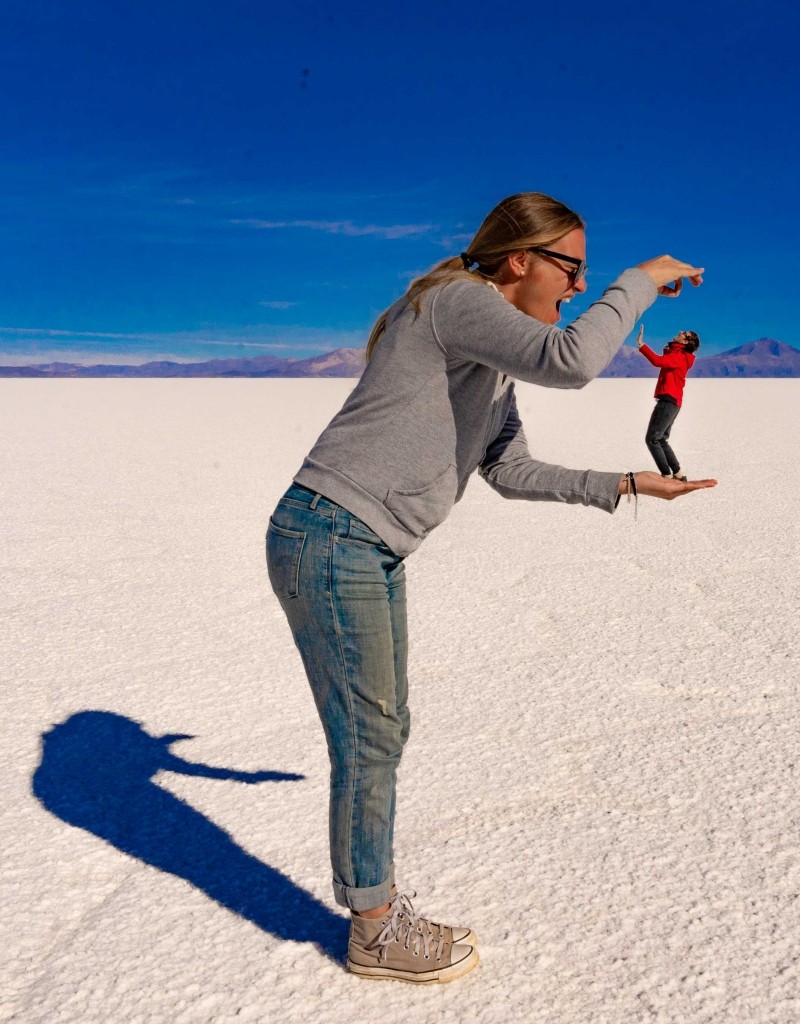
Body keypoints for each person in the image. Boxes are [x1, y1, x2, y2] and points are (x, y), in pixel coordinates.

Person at [265, 192, 717, 984]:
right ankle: (374, 929)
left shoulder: (490, 364)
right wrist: (640, 279)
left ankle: (376, 904)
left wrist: (627, 484)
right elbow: (573, 362)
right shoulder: (457, 303)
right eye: (572, 269)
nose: (577, 288)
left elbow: (509, 470)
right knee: (371, 737)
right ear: (522, 261)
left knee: (384, 729)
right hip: (332, 534)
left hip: (363, 545)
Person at [637, 325, 701, 479]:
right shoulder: (680, 355)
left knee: (652, 439)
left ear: (685, 342)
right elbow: (666, 362)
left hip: (668, 400)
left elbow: (658, 361)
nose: (680, 332)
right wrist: (668, 349)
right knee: (661, 439)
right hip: (673, 401)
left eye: (684, 334)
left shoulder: (679, 356)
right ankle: (678, 474)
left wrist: (642, 345)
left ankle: (665, 475)